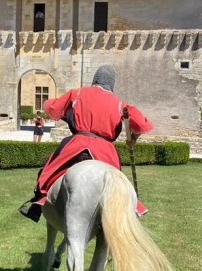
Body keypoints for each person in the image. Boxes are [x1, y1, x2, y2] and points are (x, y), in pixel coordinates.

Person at [18, 65, 154, 223]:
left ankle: (38, 203)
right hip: (105, 150)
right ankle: (133, 209)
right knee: (117, 181)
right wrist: (133, 138)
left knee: (49, 169)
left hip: (77, 143)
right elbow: (141, 123)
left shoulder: (77, 93)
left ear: (95, 79)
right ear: (112, 84)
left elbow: (54, 108)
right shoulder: (119, 104)